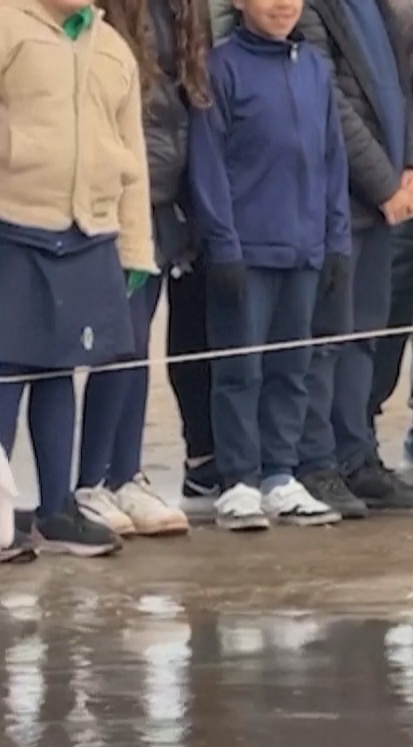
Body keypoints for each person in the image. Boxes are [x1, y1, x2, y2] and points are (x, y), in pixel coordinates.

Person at [189, 0, 354, 530]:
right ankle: (238, 478)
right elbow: (208, 166)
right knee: (240, 369)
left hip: (304, 249)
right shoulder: (221, 67)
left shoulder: (314, 70)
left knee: (291, 368)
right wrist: (224, 246)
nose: (282, 4)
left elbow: (333, 160)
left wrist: (336, 241)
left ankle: (280, 474)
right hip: (247, 251)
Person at [0, 0, 155, 560]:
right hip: (14, 225)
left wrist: (136, 248)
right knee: (6, 370)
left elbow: (132, 157)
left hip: (88, 231)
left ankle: (57, 510)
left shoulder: (115, 50)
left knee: (59, 368)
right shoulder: (7, 26)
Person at [291, 0, 413, 515]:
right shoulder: (309, 11)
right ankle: (316, 463)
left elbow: (403, 92)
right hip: (339, 202)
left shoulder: (377, 9)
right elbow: (328, 102)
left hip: (384, 205)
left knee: (365, 336)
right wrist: (383, 182)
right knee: (325, 339)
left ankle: (357, 456)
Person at [75, 0, 205, 541]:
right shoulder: (105, 18)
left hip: (165, 201)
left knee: (137, 347)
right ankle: (89, 481)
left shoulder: (184, 11)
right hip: (120, 197)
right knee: (116, 343)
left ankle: (125, 472)